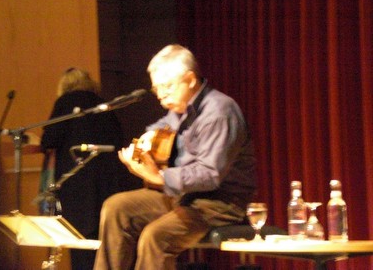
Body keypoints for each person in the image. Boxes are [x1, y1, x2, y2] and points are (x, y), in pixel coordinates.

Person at [93, 44, 257, 270]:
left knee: (155, 237)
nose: (161, 95)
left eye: (167, 87)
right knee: (117, 207)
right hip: (183, 196)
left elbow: (210, 174)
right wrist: (144, 142)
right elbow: (161, 127)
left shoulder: (219, 112)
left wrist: (161, 177)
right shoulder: (179, 109)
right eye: (156, 89)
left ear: (190, 79)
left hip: (219, 203)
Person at [41, 67, 130, 270]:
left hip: (77, 185)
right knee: (106, 243)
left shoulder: (64, 103)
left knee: (80, 243)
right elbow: (118, 138)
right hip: (108, 184)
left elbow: (49, 139)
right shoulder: (104, 105)